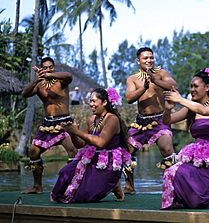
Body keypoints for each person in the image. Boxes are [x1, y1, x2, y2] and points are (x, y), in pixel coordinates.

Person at [161, 68, 209, 209]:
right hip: (196, 156)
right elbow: (167, 121)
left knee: (199, 202)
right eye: (191, 86)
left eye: (195, 86)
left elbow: (204, 111)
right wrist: (168, 109)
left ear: (207, 87)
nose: (192, 89)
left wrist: (180, 99)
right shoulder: (190, 109)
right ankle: (176, 200)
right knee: (172, 170)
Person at [51, 88, 132, 203]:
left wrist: (77, 132)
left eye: (94, 101)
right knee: (65, 172)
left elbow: (101, 142)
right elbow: (80, 144)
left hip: (107, 162)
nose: (91, 104)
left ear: (104, 102)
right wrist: (72, 132)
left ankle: (114, 184)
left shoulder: (112, 119)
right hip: (91, 158)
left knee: (86, 193)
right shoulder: (90, 120)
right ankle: (113, 185)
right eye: (90, 101)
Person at [124, 47, 178, 194]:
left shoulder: (161, 74)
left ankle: (174, 187)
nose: (149, 60)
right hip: (140, 122)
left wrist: (155, 80)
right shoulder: (132, 79)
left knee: (167, 149)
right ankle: (129, 186)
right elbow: (129, 98)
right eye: (145, 58)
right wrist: (144, 88)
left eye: (151, 58)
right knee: (125, 151)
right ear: (138, 61)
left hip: (160, 120)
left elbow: (174, 86)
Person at [21, 57, 78, 194]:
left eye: (50, 67)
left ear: (54, 67)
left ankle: (73, 187)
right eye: (45, 67)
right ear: (41, 68)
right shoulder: (39, 85)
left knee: (72, 151)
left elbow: (69, 76)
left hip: (64, 121)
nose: (48, 69)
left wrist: (49, 75)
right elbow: (24, 94)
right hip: (48, 123)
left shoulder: (61, 81)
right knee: (33, 152)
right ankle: (37, 187)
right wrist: (36, 80)